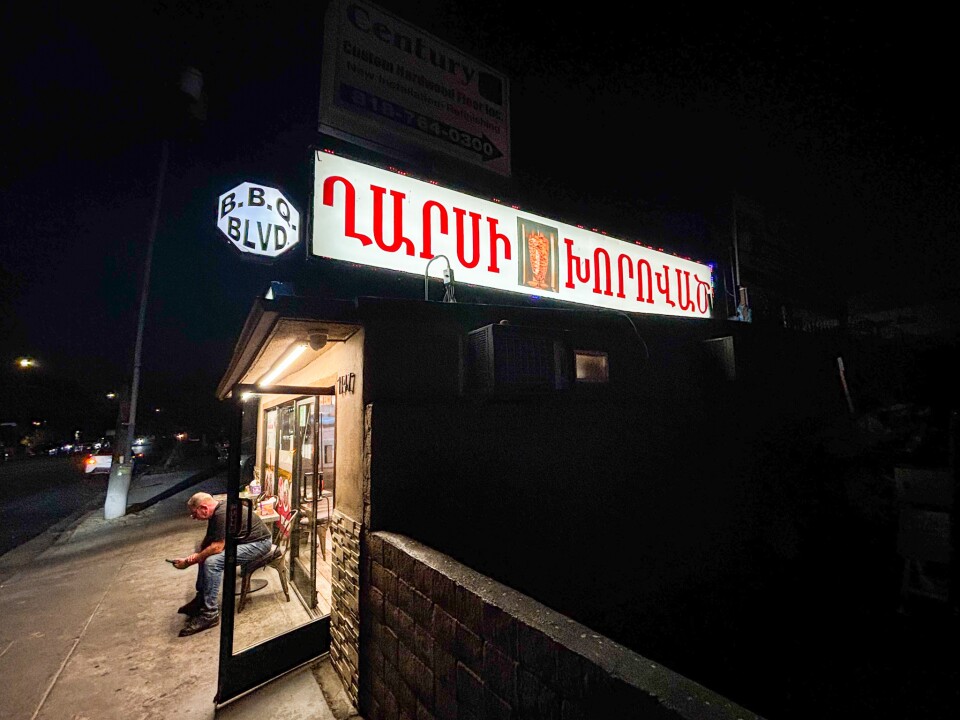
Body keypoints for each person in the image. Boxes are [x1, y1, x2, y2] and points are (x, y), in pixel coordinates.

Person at [173, 491, 272, 636]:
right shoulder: (217, 512)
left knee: (212, 562)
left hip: (260, 543)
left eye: (195, 514)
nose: (194, 517)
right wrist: (193, 557)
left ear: (204, 508)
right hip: (247, 541)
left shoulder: (221, 514)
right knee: (205, 555)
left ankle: (210, 614)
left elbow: (217, 546)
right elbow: (207, 543)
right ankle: (201, 598)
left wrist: (189, 562)